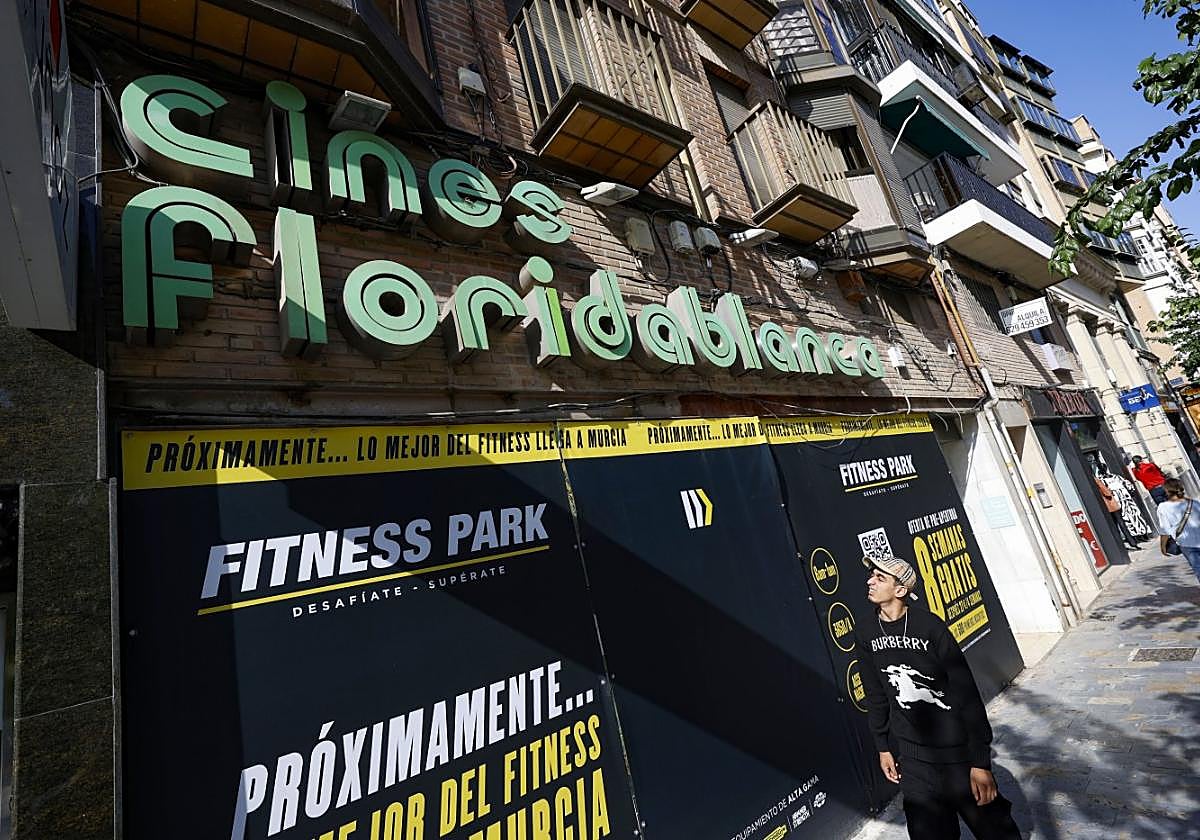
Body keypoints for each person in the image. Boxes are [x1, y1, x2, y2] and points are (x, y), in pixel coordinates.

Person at [854, 554, 1022, 840]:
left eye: (879, 577)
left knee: (995, 831)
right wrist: (882, 746)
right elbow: (876, 693)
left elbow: (965, 693)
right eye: (871, 575)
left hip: (958, 755)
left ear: (900, 590)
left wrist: (980, 762)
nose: (869, 581)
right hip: (914, 760)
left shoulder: (930, 627)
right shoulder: (866, 633)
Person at [1095, 462, 1153, 544]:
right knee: (1129, 517)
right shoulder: (1110, 478)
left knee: (1132, 516)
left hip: (1123, 500)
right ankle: (1138, 535)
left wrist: (1130, 492)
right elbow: (1127, 485)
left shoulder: (1111, 478)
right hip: (1121, 500)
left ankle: (1141, 534)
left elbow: (1128, 484)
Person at [1157, 478, 1200, 583]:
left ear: (1167, 491)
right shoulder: (1194, 503)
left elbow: (1165, 531)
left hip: (1186, 543)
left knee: (1198, 569)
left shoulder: (1163, 507)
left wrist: (1163, 546)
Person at [1094, 472, 1142, 550]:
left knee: (1114, 526)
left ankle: (1120, 544)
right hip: (1111, 504)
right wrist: (1110, 492)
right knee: (1121, 523)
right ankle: (1132, 542)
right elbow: (1105, 491)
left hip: (1105, 506)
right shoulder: (1096, 480)